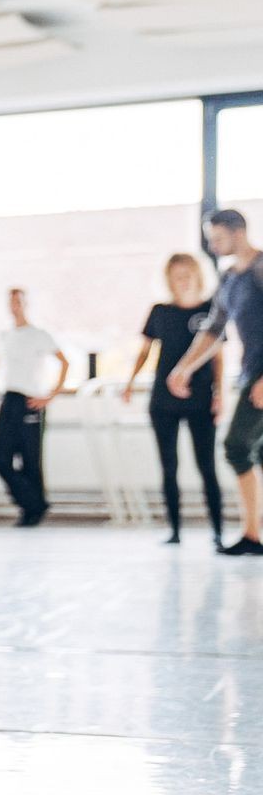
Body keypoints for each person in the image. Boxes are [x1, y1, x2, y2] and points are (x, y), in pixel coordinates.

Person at [166, 210, 263, 555]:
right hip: (250, 372)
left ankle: (253, 535)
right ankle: (254, 534)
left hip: (261, 374)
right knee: (257, 451)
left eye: (217, 236)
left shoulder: (260, 268)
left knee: (237, 446)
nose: (212, 244)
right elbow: (213, 329)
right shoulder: (229, 277)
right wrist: (184, 368)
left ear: (239, 232)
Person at [123, 253, 223, 547]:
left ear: (197, 275)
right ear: (169, 279)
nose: (183, 280)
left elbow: (218, 356)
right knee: (169, 466)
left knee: (206, 465)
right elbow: (144, 352)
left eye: (187, 274)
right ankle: (175, 530)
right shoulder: (159, 312)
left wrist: (219, 395)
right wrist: (129, 383)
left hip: (201, 398)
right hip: (164, 400)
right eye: (177, 275)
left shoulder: (211, 310)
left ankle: (217, 532)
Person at [0, 288, 69, 526]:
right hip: (8, 400)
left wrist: (50, 395)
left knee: (31, 461)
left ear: (26, 304)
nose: (15, 306)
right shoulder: (5, 336)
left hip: (30, 400)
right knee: (1, 460)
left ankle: (31, 511)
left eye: (19, 302)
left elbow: (64, 363)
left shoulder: (39, 335)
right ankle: (35, 503)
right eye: (11, 302)